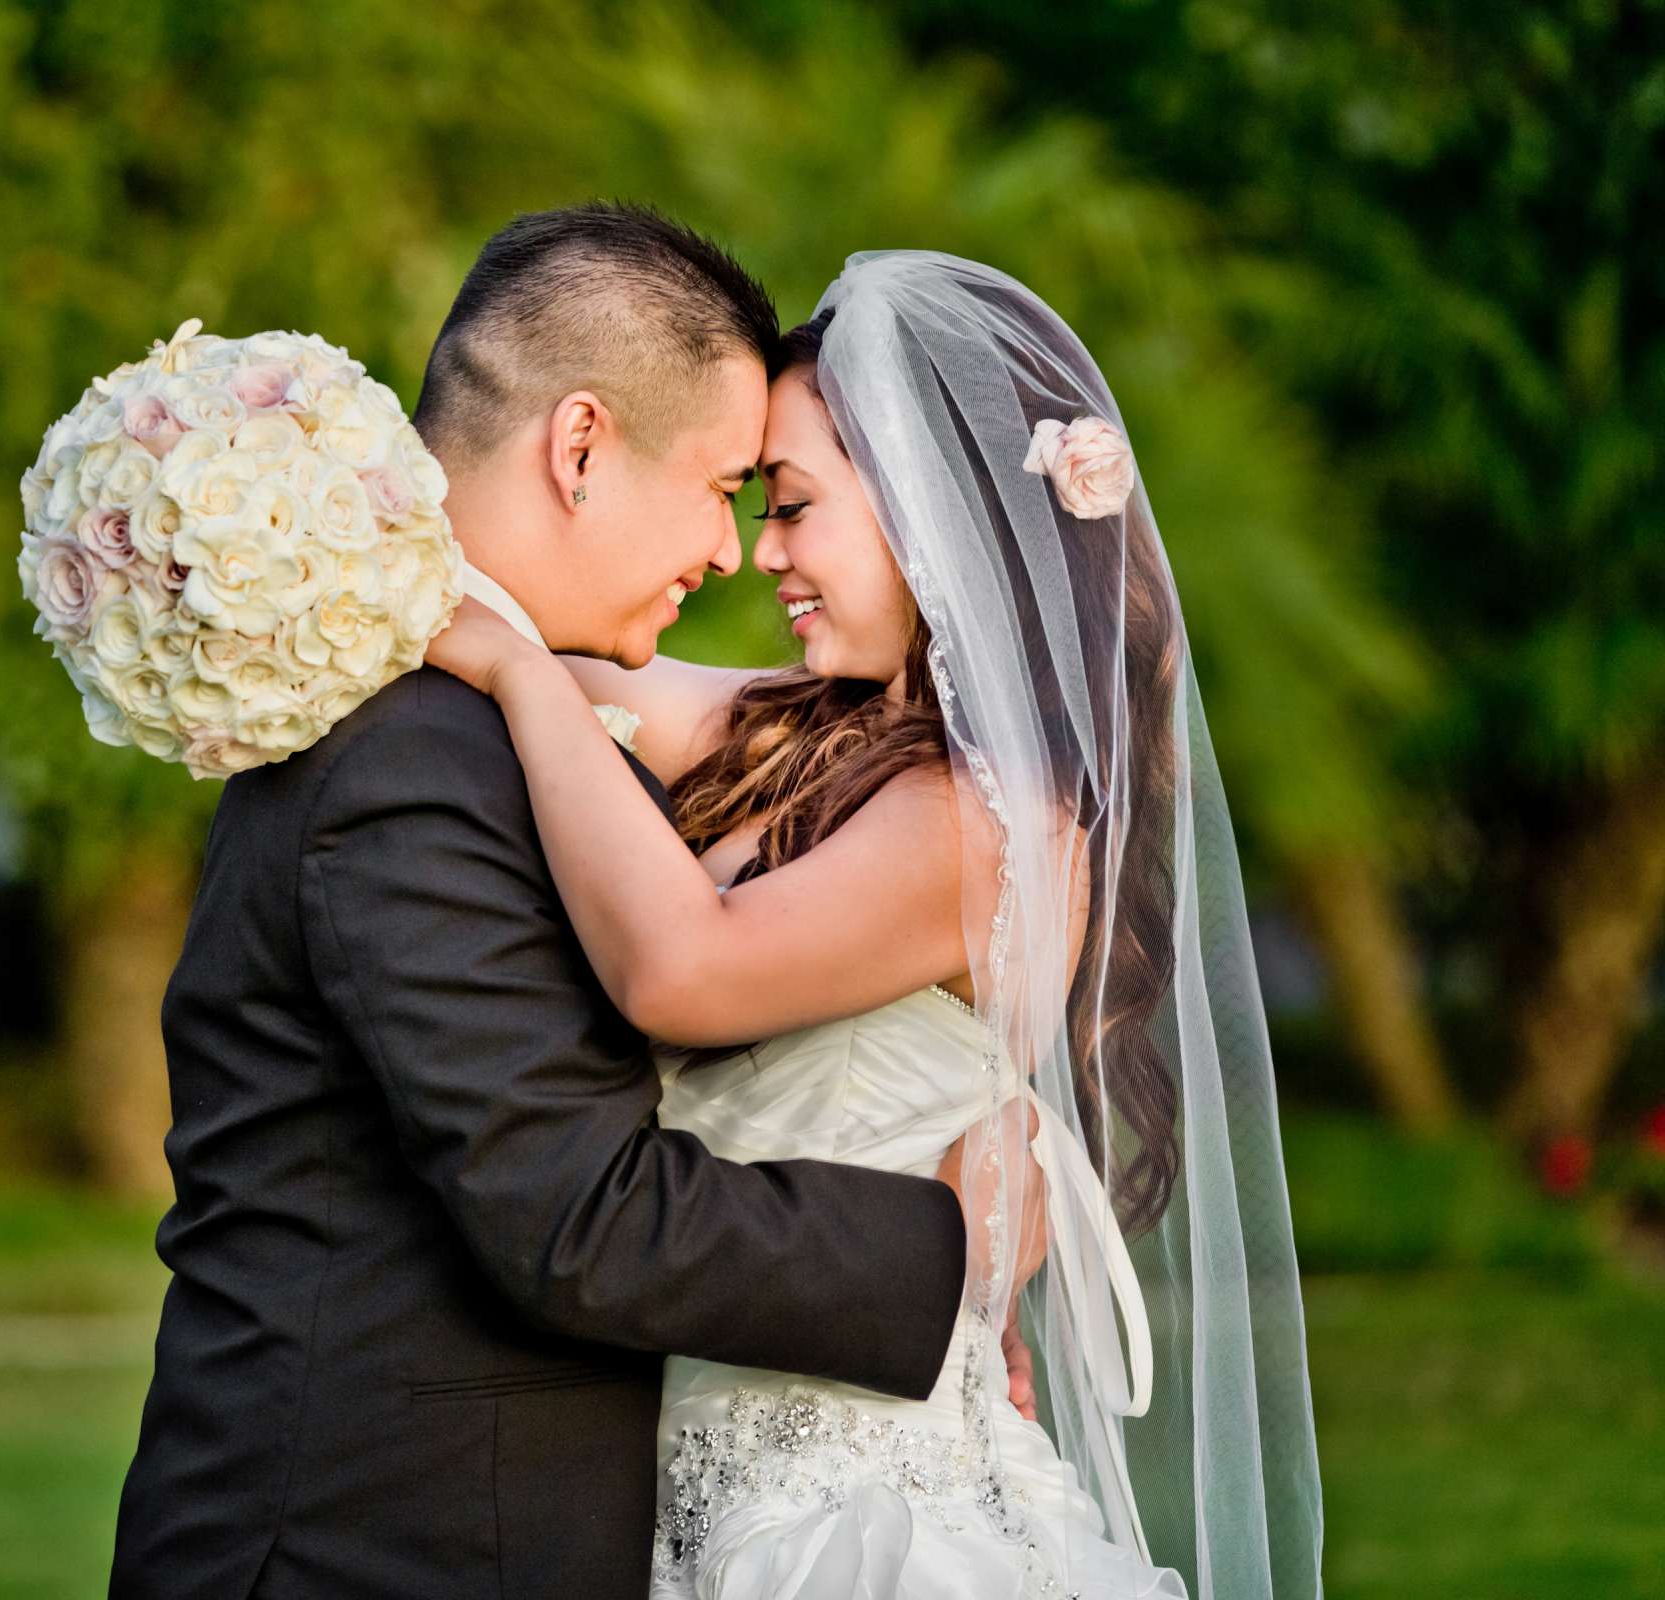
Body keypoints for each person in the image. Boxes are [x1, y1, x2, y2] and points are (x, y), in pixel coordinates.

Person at [106, 208, 1042, 1600]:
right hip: (360, 1554)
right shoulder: (415, 752)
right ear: (582, 445)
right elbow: (577, 1216)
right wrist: (950, 1244)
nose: (735, 554)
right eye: (730, 487)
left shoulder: (482, 712)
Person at [427, 250, 1324, 1598]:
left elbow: (684, 966)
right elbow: (563, 647)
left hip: (864, 1513)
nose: (760, 552)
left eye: (790, 506)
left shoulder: (991, 820)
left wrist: (507, 673)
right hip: (676, 1467)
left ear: (932, 516)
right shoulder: (792, 733)